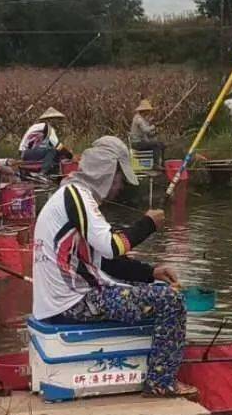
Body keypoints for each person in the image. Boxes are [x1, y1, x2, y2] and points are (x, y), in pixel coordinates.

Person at [32, 135, 188, 397]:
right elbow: (113, 246)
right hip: (75, 302)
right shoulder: (78, 196)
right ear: (107, 172)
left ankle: (153, 364)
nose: (118, 188)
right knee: (171, 300)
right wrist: (148, 224)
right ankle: (161, 383)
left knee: (153, 287)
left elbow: (104, 260)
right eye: (118, 179)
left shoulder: (68, 194)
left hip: (63, 301)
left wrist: (149, 272)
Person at [20, 106, 70, 177]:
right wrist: (69, 155)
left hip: (26, 152)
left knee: (55, 152)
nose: (57, 122)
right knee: (53, 150)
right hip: (27, 152)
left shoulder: (39, 127)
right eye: (55, 120)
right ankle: (43, 173)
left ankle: (52, 173)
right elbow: (57, 145)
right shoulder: (47, 127)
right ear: (49, 120)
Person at [129, 98, 162, 164]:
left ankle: (162, 163)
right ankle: (155, 165)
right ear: (144, 110)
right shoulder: (138, 119)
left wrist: (155, 132)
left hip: (141, 141)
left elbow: (148, 133)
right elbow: (145, 130)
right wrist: (153, 126)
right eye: (148, 110)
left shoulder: (143, 119)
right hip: (137, 143)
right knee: (156, 145)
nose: (149, 112)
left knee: (161, 145)